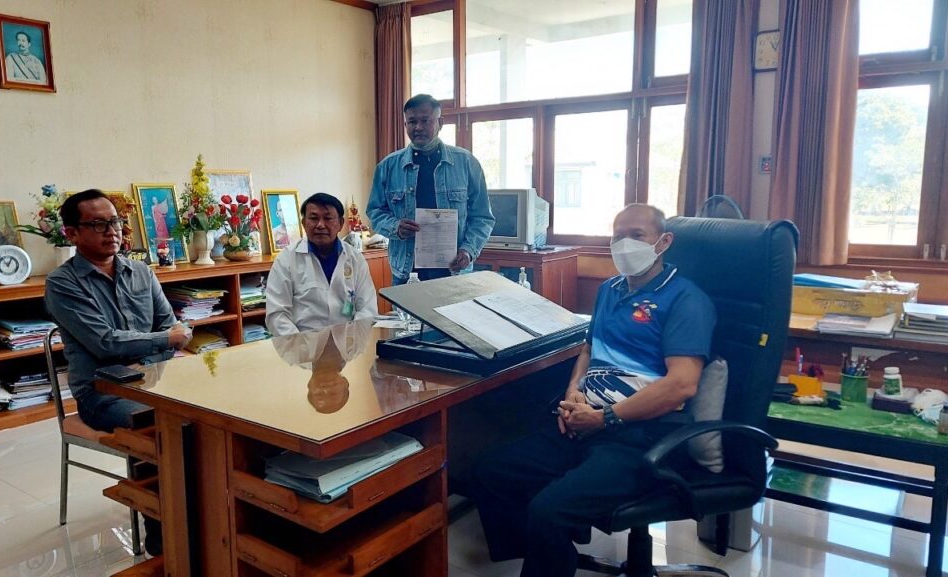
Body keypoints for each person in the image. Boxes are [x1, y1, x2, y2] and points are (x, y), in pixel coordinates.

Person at [470, 204, 717, 577]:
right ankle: (550, 554)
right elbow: (588, 350)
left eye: (637, 235)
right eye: (618, 236)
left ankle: (550, 545)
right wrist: (574, 392)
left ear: (664, 242)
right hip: (586, 423)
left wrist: (605, 418)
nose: (625, 244)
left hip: (639, 437)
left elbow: (682, 384)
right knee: (491, 472)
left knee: (548, 511)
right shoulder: (609, 290)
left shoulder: (686, 299)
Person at [44, 189, 192, 556]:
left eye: (115, 221)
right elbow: (105, 343)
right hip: (103, 393)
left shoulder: (140, 271)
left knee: (215, 416)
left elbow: (169, 326)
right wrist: (162, 340)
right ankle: (162, 537)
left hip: (158, 379)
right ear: (72, 233)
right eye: (98, 224)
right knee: (155, 425)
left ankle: (204, 515)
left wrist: (161, 341)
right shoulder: (62, 283)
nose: (112, 231)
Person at [367, 93, 495, 284]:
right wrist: (396, 227)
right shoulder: (388, 167)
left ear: (440, 122)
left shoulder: (466, 163)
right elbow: (375, 212)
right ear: (405, 124)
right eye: (412, 122)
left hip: (453, 272)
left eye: (425, 121)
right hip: (406, 272)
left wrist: (469, 250)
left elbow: (483, 217)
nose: (418, 127)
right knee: (404, 307)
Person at [264, 193, 378, 336]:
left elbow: (367, 308)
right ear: (303, 223)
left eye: (328, 218)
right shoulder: (286, 259)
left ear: (341, 223)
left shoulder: (355, 258)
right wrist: (302, 345)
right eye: (313, 218)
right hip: (303, 342)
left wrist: (351, 339)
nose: (320, 225)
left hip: (347, 341)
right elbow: (277, 314)